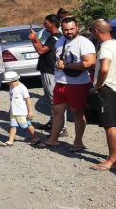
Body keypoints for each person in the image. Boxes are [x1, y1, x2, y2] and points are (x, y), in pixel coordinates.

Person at [38, 17, 96, 151]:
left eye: (72, 29)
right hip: (60, 83)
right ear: (61, 29)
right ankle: (53, 140)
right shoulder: (59, 41)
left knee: (77, 114)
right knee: (57, 112)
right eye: (66, 30)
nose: (69, 32)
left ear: (77, 27)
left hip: (78, 84)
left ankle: (78, 142)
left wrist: (67, 65)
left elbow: (89, 63)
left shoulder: (84, 43)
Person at [29, 14, 67, 135]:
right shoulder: (53, 37)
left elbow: (41, 50)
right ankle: (53, 122)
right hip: (48, 71)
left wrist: (34, 39)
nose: (44, 24)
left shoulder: (56, 38)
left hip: (51, 72)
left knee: (55, 100)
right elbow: (43, 47)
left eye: (46, 22)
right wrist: (36, 39)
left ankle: (61, 127)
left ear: (52, 23)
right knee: (52, 99)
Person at [90, 19, 116, 170]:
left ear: (96, 31)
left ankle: (112, 159)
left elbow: (104, 69)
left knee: (110, 125)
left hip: (108, 89)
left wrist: (98, 84)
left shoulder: (105, 47)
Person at [0, 71, 40, 146]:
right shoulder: (11, 87)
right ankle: (10, 140)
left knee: (27, 125)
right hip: (14, 111)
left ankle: (35, 137)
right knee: (13, 125)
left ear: (14, 80)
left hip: (21, 111)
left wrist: (30, 111)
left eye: (9, 82)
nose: (8, 84)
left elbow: (27, 100)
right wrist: (10, 108)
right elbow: (12, 99)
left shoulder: (22, 88)